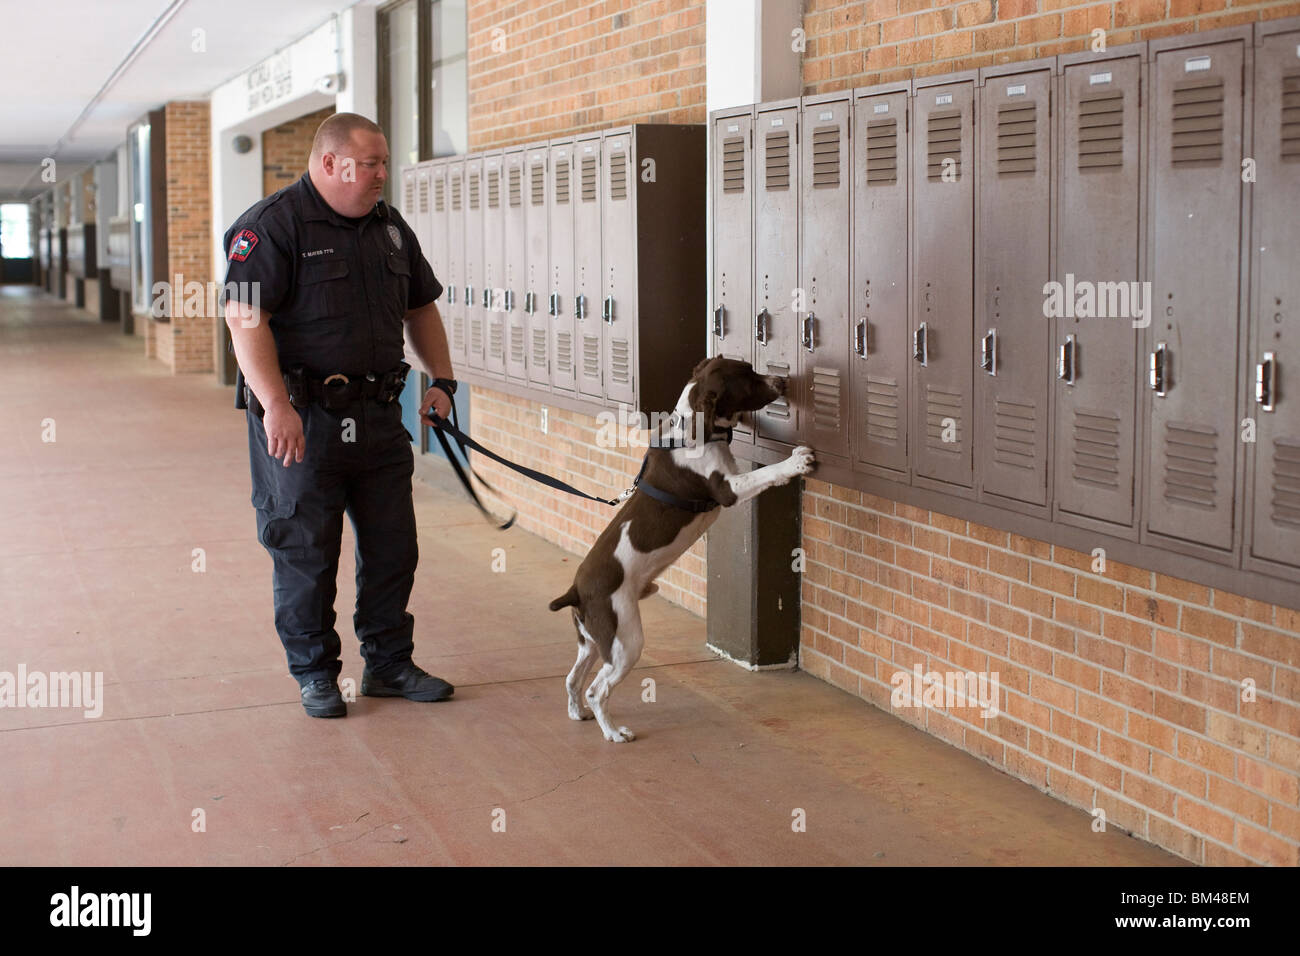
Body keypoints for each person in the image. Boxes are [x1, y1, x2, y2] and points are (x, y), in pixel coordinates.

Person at [222, 112, 458, 718]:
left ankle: (388, 663)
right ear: (330, 164)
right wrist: (275, 404)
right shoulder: (273, 226)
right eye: (370, 164)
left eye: (384, 161)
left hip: (378, 417)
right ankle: (315, 674)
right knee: (306, 549)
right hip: (303, 419)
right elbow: (245, 318)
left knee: (392, 547)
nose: (383, 174)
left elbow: (421, 307)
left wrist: (443, 380)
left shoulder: (390, 227)